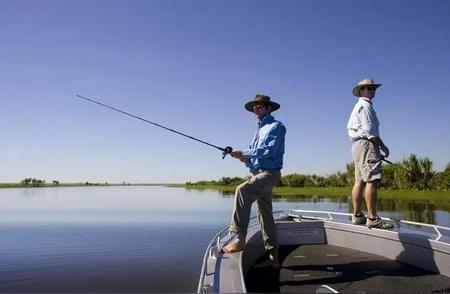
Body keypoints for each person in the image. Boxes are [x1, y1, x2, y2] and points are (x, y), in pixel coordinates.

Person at [222, 94, 286, 267]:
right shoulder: (258, 131)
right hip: (258, 174)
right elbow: (253, 158)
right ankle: (274, 258)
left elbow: (268, 151)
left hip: (270, 174)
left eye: (259, 106)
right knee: (264, 214)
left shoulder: (277, 127)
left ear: (268, 108)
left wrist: (244, 152)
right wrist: (241, 157)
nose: (256, 110)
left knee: (242, 190)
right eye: (254, 107)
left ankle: (240, 238)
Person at [347, 78, 393, 229]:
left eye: (373, 88)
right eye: (368, 88)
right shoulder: (365, 106)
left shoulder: (358, 106)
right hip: (367, 144)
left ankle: (357, 216)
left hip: (357, 145)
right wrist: (383, 147)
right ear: (361, 91)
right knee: (371, 180)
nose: (372, 91)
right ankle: (372, 218)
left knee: (359, 180)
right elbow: (371, 132)